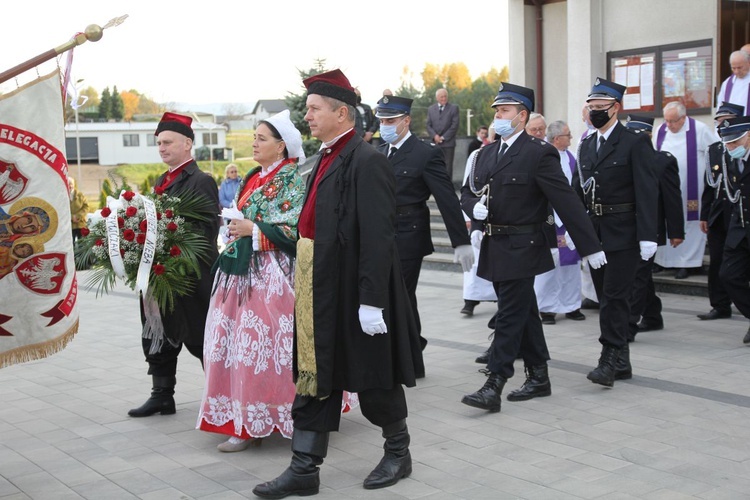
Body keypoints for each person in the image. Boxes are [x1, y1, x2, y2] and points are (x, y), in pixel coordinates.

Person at [252, 69, 423, 498]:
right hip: (319, 288)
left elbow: (379, 237)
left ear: (341, 112)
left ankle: (398, 452)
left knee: (374, 377)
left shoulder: (368, 162)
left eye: (313, 109)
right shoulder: (324, 158)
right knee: (314, 377)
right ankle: (304, 469)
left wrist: (371, 302)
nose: (306, 116)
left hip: (355, 291)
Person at [197, 110, 360, 451]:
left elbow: (298, 229)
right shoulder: (254, 176)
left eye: (261, 138)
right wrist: (237, 226)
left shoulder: (292, 181)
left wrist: (254, 230)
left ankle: (287, 414)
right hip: (243, 273)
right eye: (254, 137)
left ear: (282, 146)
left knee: (272, 349)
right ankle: (243, 419)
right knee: (237, 349)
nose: (254, 143)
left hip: (276, 276)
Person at [459, 82, 604, 412]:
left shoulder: (539, 153)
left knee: (509, 313)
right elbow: (469, 191)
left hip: (525, 245)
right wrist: (475, 214)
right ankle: (539, 376)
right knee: (524, 312)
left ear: (522, 116)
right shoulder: (486, 153)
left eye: (505, 111)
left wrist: (589, 246)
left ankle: (494, 382)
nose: (498, 116)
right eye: (496, 111)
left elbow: (565, 201)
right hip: (496, 246)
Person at [128, 112, 220, 418]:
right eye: (159, 143)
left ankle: (220, 397)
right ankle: (162, 395)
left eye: (167, 142)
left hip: (190, 278)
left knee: (201, 337)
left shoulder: (201, 181)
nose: (162, 148)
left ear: (187, 144)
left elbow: (205, 233)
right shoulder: (161, 180)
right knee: (158, 333)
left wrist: (169, 251)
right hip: (161, 276)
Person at [573, 77, 659, 387]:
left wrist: (648, 235)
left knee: (614, 297)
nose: (594, 112)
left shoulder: (634, 141)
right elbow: (577, 191)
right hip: (595, 233)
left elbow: (648, 190)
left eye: (600, 107)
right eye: (591, 107)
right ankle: (622, 362)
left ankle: (608, 360)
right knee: (606, 296)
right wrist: (575, 229)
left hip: (625, 232)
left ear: (616, 108)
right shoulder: (586, 144)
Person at [375, 95, 473, 350]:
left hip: (409, 235)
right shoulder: (379, 152)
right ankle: (412, 347)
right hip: (381, 236)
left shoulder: (425, 154)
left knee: (402, 297)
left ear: (406, 121)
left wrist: (460, 241)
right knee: (393, 296)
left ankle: (408, 355)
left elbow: (447, 199)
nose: (385, 125)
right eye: (382, 120)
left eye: (390, 120)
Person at [623, 115, 685, 341]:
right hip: (627, 228)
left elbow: (672, 197)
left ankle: (629, 324)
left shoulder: (661, 161)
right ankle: (653, 314)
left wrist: (676, 231)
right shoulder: (623, 160)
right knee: (641, 275)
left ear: (648, 136)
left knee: (638, 275)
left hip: (650, 228)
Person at [652, 102, 718, 280]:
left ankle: (686, 263)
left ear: (683, 117)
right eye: (666, 121)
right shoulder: (660, 130)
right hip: (666, 188)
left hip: (691, 188)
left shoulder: (700, 129)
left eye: (673, 121)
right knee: (666, 220)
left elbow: (714, 152)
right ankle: (663, 260)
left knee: (690, 222)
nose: (669, 125)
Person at [534, 120, 586, 325]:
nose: (571, 138)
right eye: (568, 135)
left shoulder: (572, 158)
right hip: (549, 219)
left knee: (571, 267)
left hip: (568, 220)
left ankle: (571, 305)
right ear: (556, 138)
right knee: (549, 267)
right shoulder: (544, 156)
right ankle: (546, 308)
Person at [698, 102, 744, 321]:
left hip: (740, 212)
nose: (722, 124)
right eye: (719, 120)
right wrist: (704, 214)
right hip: (720, 212)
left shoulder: (741, 145)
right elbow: (709, 184)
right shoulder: (715, 149)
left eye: (728, 119)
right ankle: (719, 304)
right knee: (718, 262)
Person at [717, 116, 750, 344]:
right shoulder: (729, 159)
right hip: (739, 228)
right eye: (728, 143)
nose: (731, 147)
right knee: (728, 276)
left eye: (735, 142)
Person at [426, 88, 460, 180]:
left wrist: (443, 137)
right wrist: (435, 136)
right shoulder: (431, 109)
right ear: (437, 98)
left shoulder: (454, 108)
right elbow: (428, 125)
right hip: (435, 144)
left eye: (445, 96)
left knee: (448, 168)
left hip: (448, 144)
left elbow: (455, 125)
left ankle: (447, 188)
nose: (444, 98)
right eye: (441, 97)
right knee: (435, 166)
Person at [716, 50, 750, 116]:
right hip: (733, 124)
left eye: (740, 67)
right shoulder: (727, 84)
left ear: (748, 63)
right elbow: (720, 106)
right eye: (733, 68)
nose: (736, 71)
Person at [68, 176, 89, 244]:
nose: (70, 186)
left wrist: (78, 216)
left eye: (71, 184)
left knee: (82, 244)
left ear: (74, 185)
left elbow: (86, 207)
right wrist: (71, 217)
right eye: (68, 184)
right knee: (71, 245)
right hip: (69, 226)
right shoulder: (63, 195)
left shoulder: (80, 195)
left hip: (81, 224)